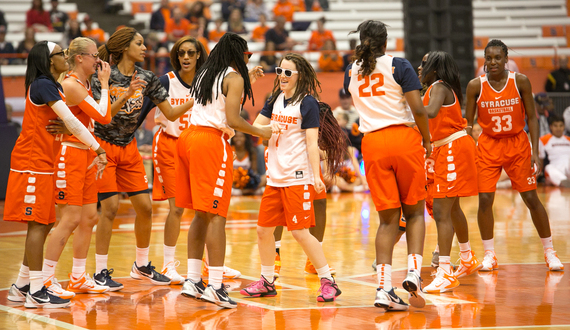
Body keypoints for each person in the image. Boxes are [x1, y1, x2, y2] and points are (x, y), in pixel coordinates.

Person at [91, 27, 194, 290]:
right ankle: (100, 270)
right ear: (125, 47)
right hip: (102, 146)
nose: (145, 48)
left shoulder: (147, 78)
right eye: (139, 44)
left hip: (129, 147)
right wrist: (125, 94)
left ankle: (141, 265)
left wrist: (196, 97)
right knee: (110, 208)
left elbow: (170, 113)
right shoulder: (103, 75)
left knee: (145, 209)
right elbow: (100, 115)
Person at [5, 41, 106, 308]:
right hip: (31, 162)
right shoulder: (43, 84)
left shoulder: (50, 84)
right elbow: (72, 121)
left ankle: (22, 285)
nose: (65, 57)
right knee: (39, 224)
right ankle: (37, 290)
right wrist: (97, 148)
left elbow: (66, 123)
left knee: (45, 223)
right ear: (50, 61)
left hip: (44, 162)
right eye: (60, 54)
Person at [240, 54, 346, 303]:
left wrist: (316, 176)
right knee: (263, 231)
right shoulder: (275, 99)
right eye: (280, 71)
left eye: (288, 72)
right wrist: (265, 129)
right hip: (276, 178)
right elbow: (256, 126)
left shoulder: (307, 103)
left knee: (299, 233)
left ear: (300, 76)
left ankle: (327, 280)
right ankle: (267, 281)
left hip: (298, 177)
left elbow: (311, 142)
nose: (282, 76)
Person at [178, 32, 273, 309]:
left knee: (201, 214)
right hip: (210, 142)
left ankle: (193, 279)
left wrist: (248, 81)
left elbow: (217, 104)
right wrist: (260, 131)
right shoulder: (234, 77)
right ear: (239, 55)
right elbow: (232, 119)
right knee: (218, 215)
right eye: (247, 56)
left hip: (189, 138)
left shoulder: (207, 72)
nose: (248, 60)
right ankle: (216, 287)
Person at [345, 20, 431, 311]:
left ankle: (383, 288)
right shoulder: (399, 65)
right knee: (415, 213)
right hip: (403, 138)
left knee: (386, 221)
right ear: (385, 41)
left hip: (372, 144)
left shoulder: (351, 72)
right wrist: (428, 140)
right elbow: (418, 108)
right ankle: (413, 273)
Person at [465, 39, 564, 272]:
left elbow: (532, 117)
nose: (493, 62)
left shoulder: (520, 81)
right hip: (489, 145)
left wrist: (535, 152)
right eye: (488, 58)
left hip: (517, 143)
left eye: (498, 57)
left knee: (531, 199)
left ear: (506, 59)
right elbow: (468, 124)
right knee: (485, 200)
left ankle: (549, 251)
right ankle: (489, 253)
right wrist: (470, 145)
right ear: (484, 61)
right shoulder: (475, 86)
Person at [42, 37, 112, 298]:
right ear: (80, 58)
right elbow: (104, 116)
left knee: (89, 218)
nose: (99, 60)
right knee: (69, 219)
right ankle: (46, 280)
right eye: (94, 55)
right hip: (69, 155)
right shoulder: (71, 84)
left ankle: (78, 277)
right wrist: (105, 84)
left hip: (86, 156)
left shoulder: (83, 82)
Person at [419, 51, 482, 293]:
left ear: (434, 68)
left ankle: (444, 272)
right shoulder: (439, 86)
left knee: (441, 209)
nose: (419, 67)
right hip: (447, 148)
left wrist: (405, 113)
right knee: (453, 209)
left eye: (424, 64)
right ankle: (466, 258)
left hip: (453, 147)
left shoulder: (438, 87)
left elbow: (432, 112)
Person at [539, 115, 570, 188]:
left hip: (568, 169)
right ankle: (564, 181)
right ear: (551, 127)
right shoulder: (543, 140)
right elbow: (540, 160)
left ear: (564, 126)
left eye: (561, 126)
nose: (558, 128)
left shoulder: (568, 139)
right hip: (555, 170)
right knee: (548, 168)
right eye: (555, 126)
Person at [231, 131, 265, 195]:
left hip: (247, 180)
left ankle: (239, 192)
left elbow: (254, 171)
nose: (238, 139)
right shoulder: (230, 149)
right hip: (233, 181)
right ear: (232, 138)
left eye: (241, 136)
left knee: (265, 178)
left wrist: (246, 179)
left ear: (246, 138)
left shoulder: (251, 152)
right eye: (236, 137)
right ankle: (249, 192)